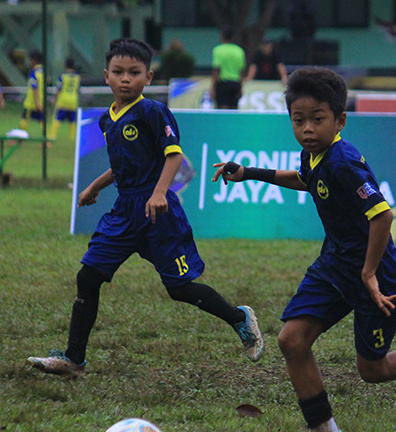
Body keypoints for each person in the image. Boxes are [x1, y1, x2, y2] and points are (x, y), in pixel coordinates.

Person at [211, 66, 396, 432]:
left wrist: (370, 273)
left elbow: (382, 215)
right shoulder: (316, 155)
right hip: (334, 265)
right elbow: (305, 178)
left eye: (317, 120)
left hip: (375, 277)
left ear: (339, 120)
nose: (306, 129)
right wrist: (251, 173)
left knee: (372, 370)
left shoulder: (343, 161)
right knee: (292, 340)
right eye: (298, 120)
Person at [27, 38, 263, 378]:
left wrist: (160, 192)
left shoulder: (153, 112)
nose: (126, 79)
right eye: (119, 72)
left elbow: (174, 155)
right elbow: (123, 164)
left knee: (179, 289)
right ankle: (73, 359)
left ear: (148, 78)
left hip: (159, 213)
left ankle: (239, 318)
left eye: (134, 73)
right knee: (88, 275)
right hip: (125, 211)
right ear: (106, 76)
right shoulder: (107, 120)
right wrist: (95, 186)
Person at [210, 28, 245, 110]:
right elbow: (241, 71)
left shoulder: (218, 50)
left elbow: (217, 70)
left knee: (222, 109)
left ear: (222, 37)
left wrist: (213, 87)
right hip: (235, 83)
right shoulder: (239, 51)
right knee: (233, 109)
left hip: (223, 83)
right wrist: (241, 87)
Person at [50, 57, 81, 142]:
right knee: (72, 120)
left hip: (63, 100)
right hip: (73, 100)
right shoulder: (77, 76)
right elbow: (78, 89)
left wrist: (54, 98)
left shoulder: (63, 75)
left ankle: (52, 136)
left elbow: (59, 88)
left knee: (57, 118)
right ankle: (72, 137)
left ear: (65, 65)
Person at [20, 50, 45, 134]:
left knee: (24, 118)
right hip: (41, 100)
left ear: (34, 60)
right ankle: (46, 140)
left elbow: (34, 87)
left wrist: (37, 102)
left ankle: (20, 138)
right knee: (41, 120)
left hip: (32, 101)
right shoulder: (43, 72)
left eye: (30, 60)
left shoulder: (33, 72)